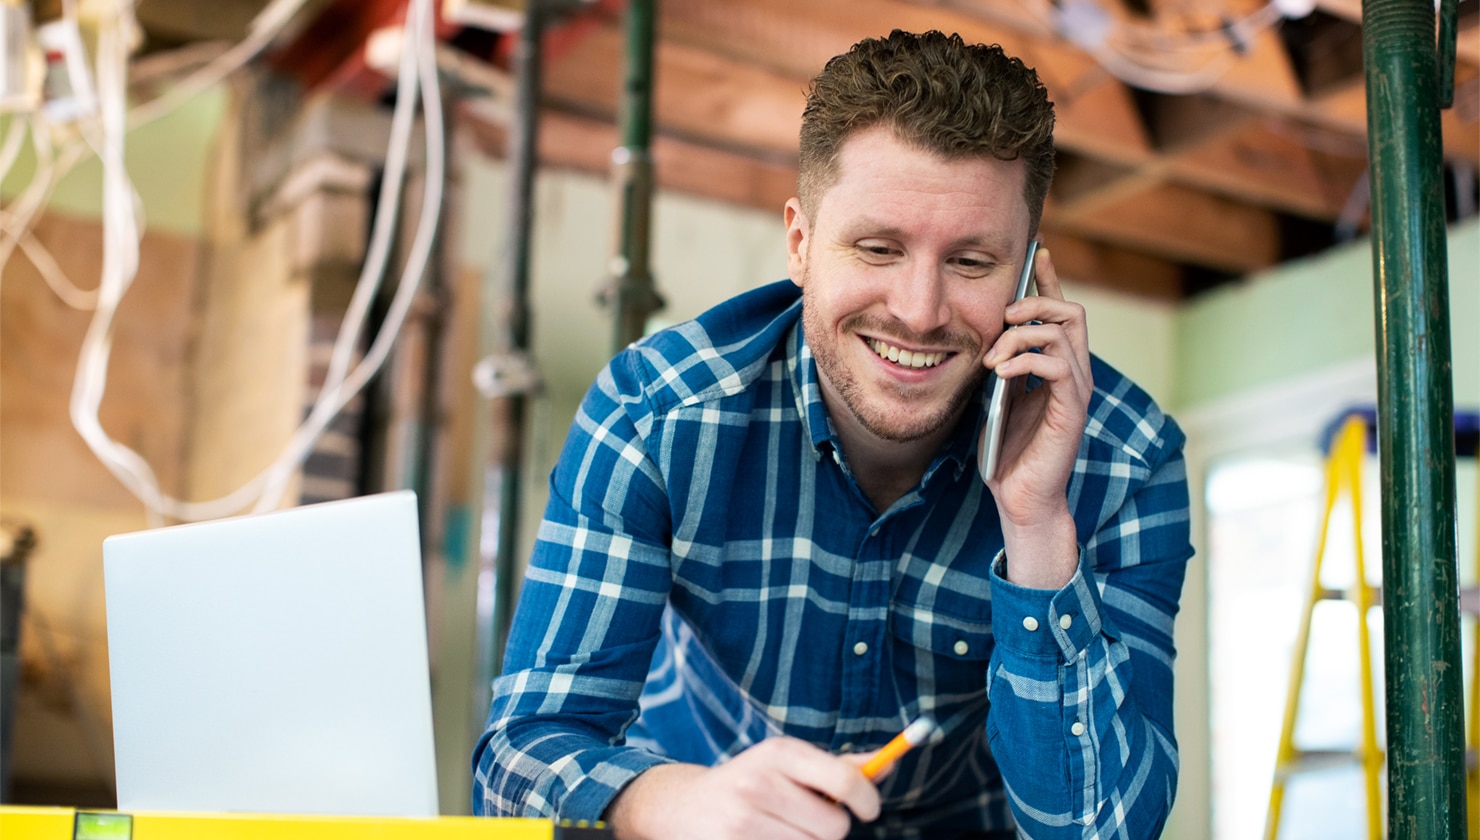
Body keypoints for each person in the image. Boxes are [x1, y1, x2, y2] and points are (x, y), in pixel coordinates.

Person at [473, 29, 1192, 839]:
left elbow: (1103, 829)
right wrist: (671, 804)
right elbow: (517, 760)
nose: (919, 311)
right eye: (878, 248)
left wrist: (1035, 525)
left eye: (972, 262)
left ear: (1030, 275)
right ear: (801, 243)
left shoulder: (1125, 461)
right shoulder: (655, 414)